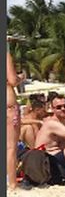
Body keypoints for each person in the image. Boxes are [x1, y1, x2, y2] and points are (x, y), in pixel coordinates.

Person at [7, 50, 21, 189]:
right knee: (10, 147)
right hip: (8, 106)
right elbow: (12, 80)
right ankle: (12, 183)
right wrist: (20, 77)